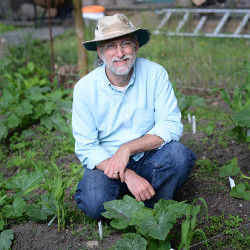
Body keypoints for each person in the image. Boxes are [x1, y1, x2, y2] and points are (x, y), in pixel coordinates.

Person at [72, 13, 196, 220]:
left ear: (136, 47)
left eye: (125, 44)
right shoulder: (85, 89)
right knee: (94, 203)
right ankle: (139, 195)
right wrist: (126, 173)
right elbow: (86, 147)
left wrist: (127, 148)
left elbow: (170, 125)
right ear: (100, 54)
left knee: (179, 156)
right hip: (107, 164)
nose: (119, 53)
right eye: (111, 46)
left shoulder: (155, 74)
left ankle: (151, 205)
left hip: (148, 155)